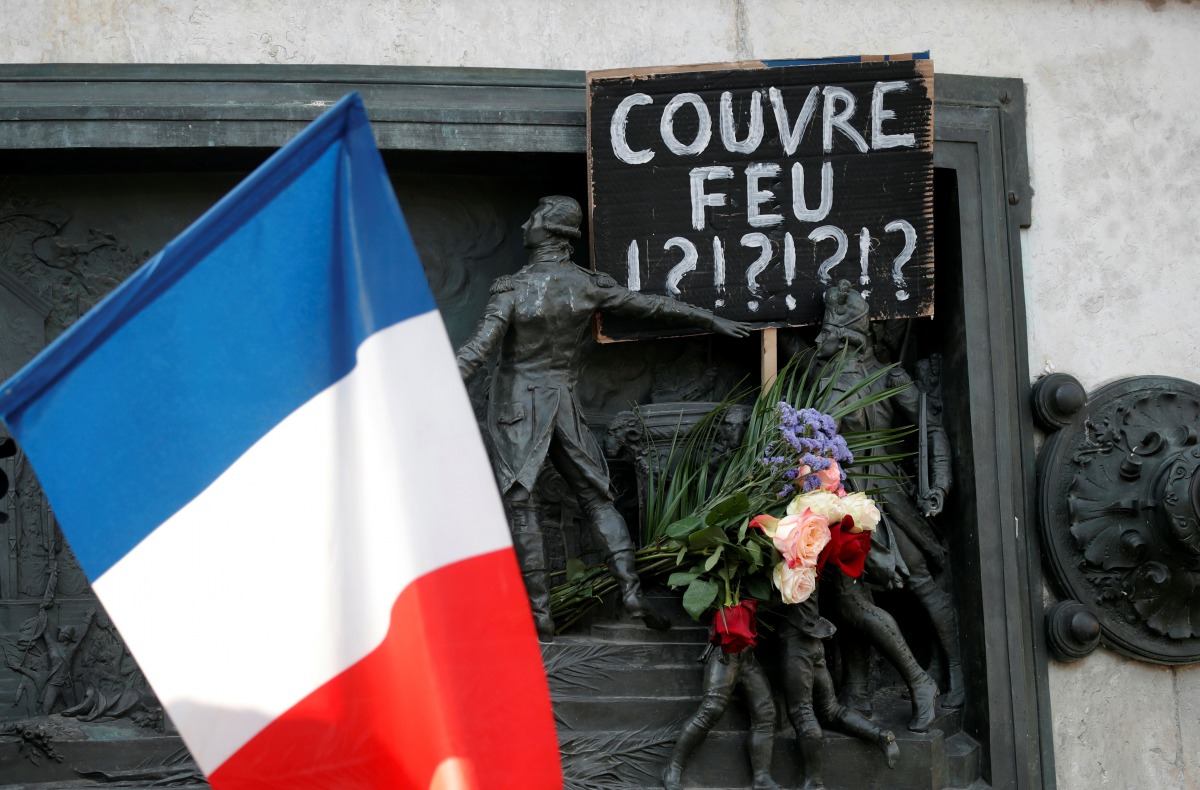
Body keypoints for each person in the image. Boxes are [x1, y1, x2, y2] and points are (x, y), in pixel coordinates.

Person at [457, 196, 751, 640]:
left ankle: (539, 614)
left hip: (518, 406)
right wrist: (710, 319)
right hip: (564, 404)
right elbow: (652, 307)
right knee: (598, 499)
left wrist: (432, 388)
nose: (524, 224)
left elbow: (478, 350)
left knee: (522, 503)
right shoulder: (586, 285)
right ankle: (631, 592)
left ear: (552, 231)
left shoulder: (513, 289)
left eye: (533, 217)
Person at [814, 281, 964, 729]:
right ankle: (858, 692)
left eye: (834, 339)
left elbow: (929, 428)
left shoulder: (886, 378)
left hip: (888, 500)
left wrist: (939, 482)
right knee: (852, 598)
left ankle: (953, 669)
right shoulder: (822, 382)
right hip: (841, 502)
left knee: (920, 582)